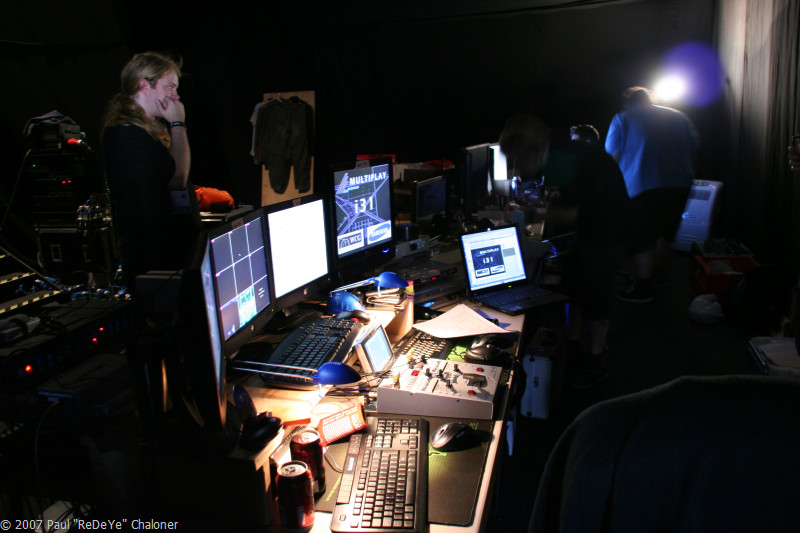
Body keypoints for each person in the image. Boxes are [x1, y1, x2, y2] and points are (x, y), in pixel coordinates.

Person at [500, 115, 631, 388]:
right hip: (597, 228)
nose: (518, 170)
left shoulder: (559, 159)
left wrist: (530, 212)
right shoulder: (563, 151)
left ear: (529, 150)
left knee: (597, 298)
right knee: (577, 287)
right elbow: (571, 195)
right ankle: (573, 348)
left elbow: (568, 212)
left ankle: (595, 363)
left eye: (517, 161)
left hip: (607, 234)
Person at [102, 51, 200, 292]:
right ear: (144, 85)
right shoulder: (126, 134)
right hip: (156, 259)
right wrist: (178, 124)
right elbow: (177, 179)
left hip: (170, 251)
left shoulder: (145, 132)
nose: (176, 95)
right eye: (170, 87)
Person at [605, 86, 700, 303]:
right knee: (667, 234)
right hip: (680, 184)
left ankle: (644, 289)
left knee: (643, 239)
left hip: (642, 185)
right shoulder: (680, 116)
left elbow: (613, 156)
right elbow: (695, 150)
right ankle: (658, 280)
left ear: (628, 102)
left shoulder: (623, 118)